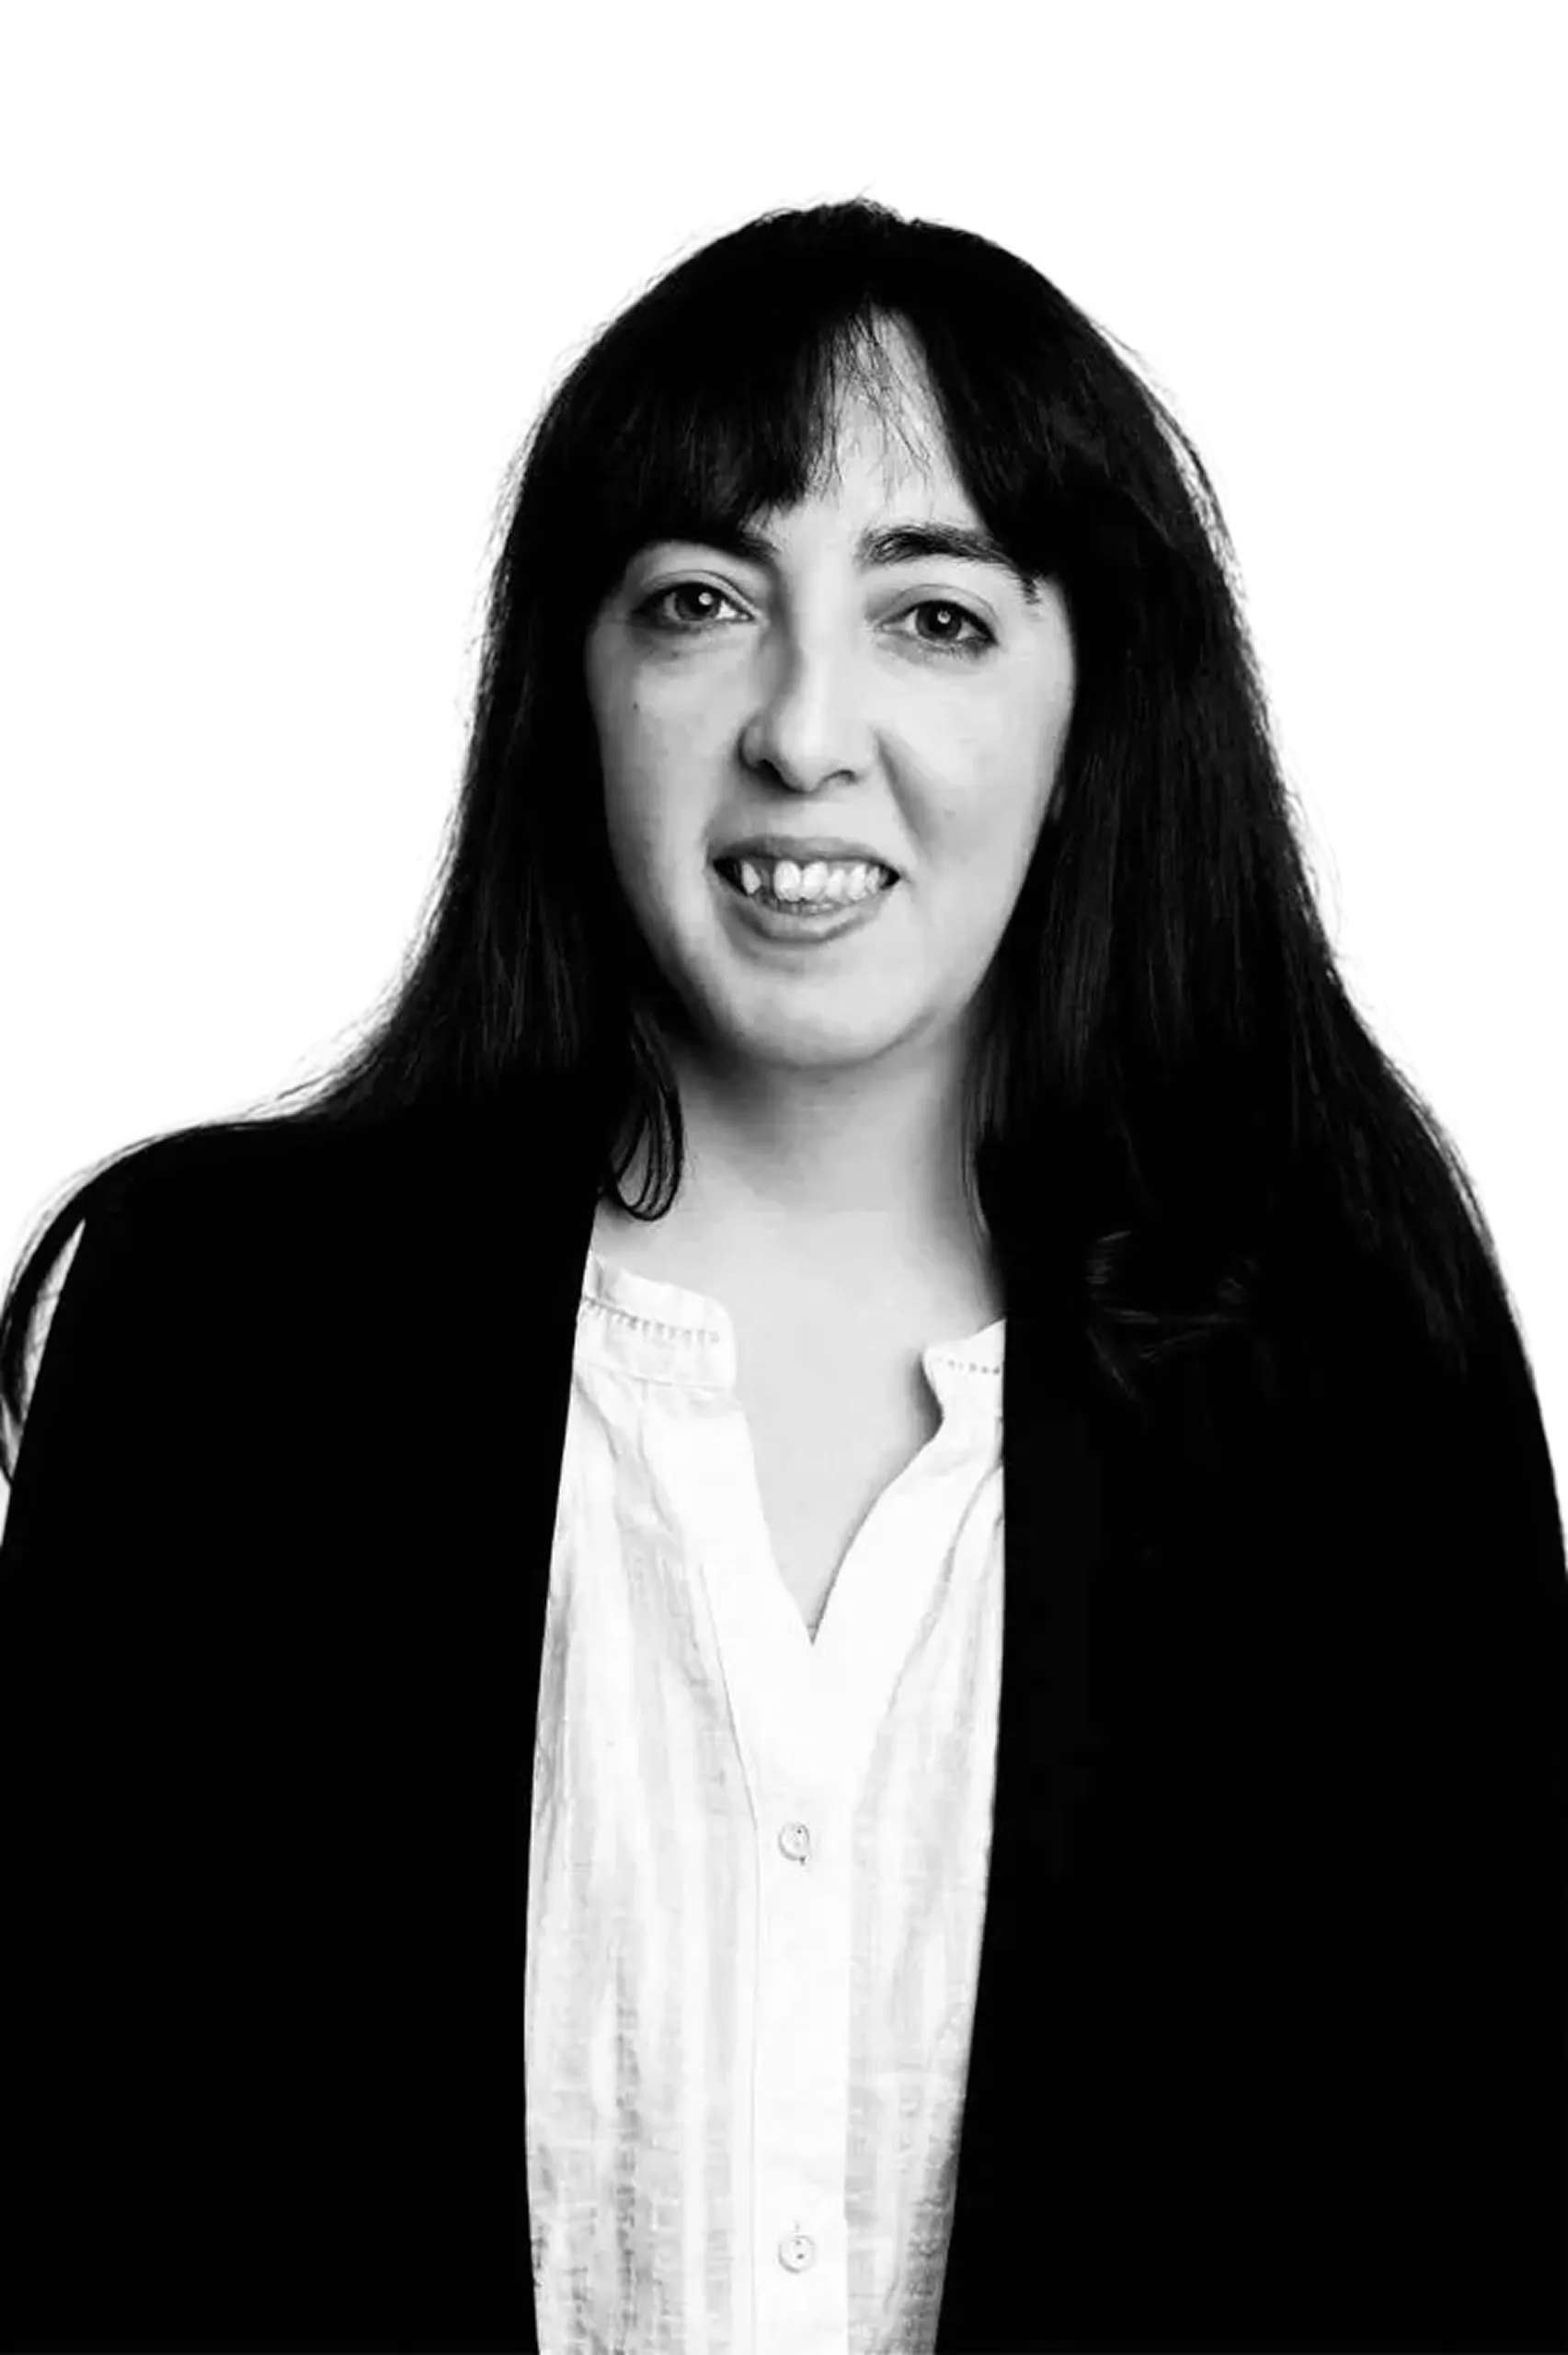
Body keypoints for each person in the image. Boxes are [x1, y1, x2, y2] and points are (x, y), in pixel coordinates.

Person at [2, 190, 1563, 2355]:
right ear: (575, 689)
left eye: (936, 616)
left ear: (1096, 704)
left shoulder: (1352, 1383)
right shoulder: (214, 1336)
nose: (805, 728)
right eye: (702, 600)